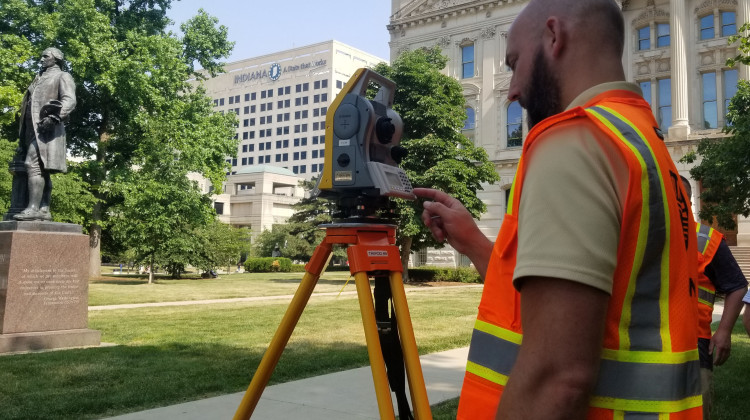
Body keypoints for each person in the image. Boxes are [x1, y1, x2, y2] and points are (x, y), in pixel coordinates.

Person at [414, 0, 702, 418]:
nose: (511, 89)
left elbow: (556, 378)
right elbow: (588, 305)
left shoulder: (573, 142)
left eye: (514, 62)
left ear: (554, 36)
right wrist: (475, 242)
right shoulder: (642, 143)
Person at [681, 176, 748, 419]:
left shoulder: (706, 239)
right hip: (642, 341)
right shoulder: (642, 233)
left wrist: (725, 331)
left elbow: (738, 285)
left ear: (686, 199)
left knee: (696, 411)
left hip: (696, 342)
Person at [14, 47, 76, 221]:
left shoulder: (63, 76)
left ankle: (33, 208)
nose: (41, 59)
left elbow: (69, 100)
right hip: (31, 129)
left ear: (56, 59)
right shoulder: (39, 78)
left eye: (45, 56)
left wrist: (55, 117)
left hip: (48, 130)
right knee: (42, 169)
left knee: (31, 164)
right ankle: (44, 210)